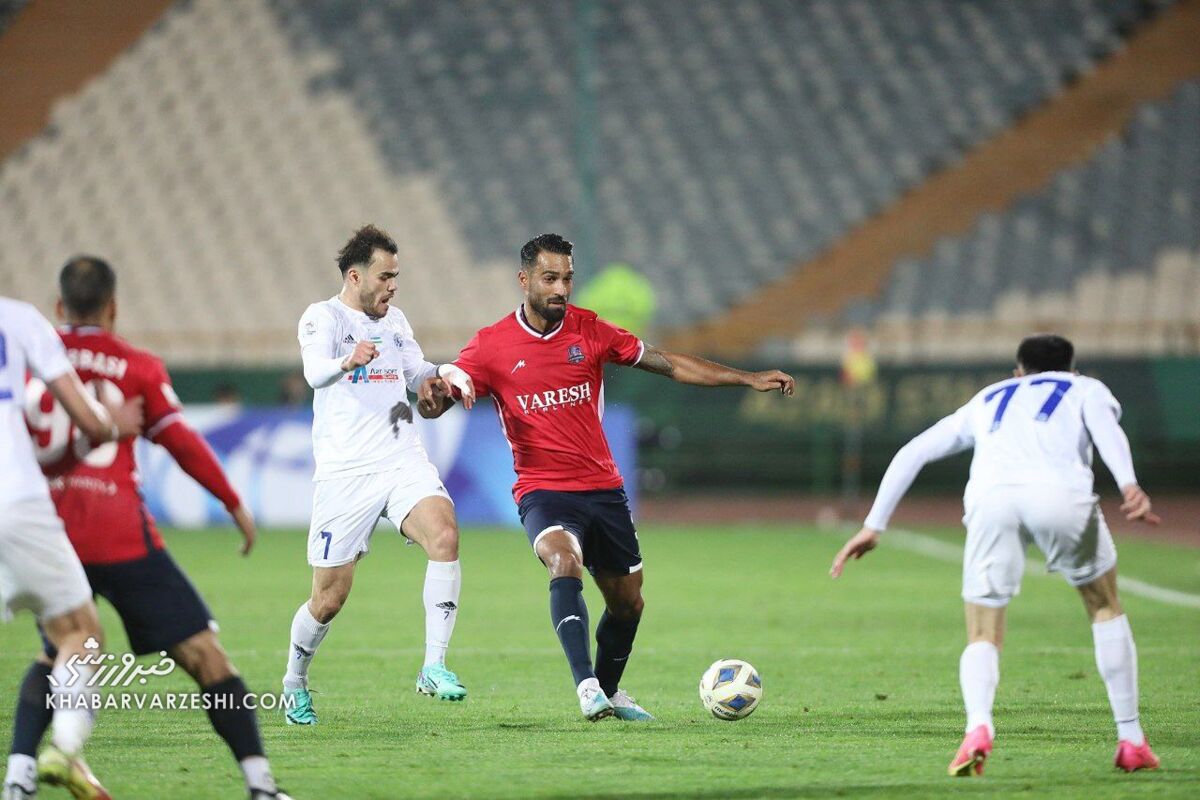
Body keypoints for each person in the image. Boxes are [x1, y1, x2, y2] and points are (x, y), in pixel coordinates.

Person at [418, 233, 795, 721]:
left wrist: (745, 378)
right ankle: (587, 686)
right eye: (549, 278)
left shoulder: (590, 332)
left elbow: (669, 363)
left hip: (603, 490)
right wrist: (433, 399)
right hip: (543, 491)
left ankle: (612, 692)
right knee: (562, 560)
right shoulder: (492, 346)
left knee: (628, 604)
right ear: (525, 280)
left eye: (567, 279)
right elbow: (442, 396)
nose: (560, 288)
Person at [17, 257, 292, 800]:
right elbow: (180, 441)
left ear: (58, 307)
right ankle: (261, 786)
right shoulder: (136, 365)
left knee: (57, 654)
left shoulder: (31, 360)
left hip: (50, 535)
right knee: (204, 655)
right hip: (119, 535)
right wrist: (232, 501)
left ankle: (19, 777)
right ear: (113, 308)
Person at [830, 334, 1162, 776]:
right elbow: (1107, 431)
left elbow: (914, 450)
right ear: (1072, 369)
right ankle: (1131, 739)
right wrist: (1128, 484)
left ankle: (978, 726)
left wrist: (874, 524)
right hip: (1059, 494)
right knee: (1103, 605)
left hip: (991, 501)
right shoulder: (1085, 388)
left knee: (983, 631)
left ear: (1017, 372)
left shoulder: (989, 396)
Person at [284, 224, 476, 724]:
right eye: (386, 276)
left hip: (400, 459)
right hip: (345, 474)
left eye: (397, 276)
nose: (394, 286)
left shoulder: (396, 322)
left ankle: (433, 665)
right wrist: (348, 360)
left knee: (445, 534)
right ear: (355, 276)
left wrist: (446, 379)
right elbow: (313, 373)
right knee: (328, 600)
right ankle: (294, 681)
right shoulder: (321, 317)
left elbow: (418, 376)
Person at [0, 294, 142, 800]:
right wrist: (114, 424)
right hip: (13, 498)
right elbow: (87, 419)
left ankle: (19, 779)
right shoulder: (16, 319)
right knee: (80, 631)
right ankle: (63, 750)